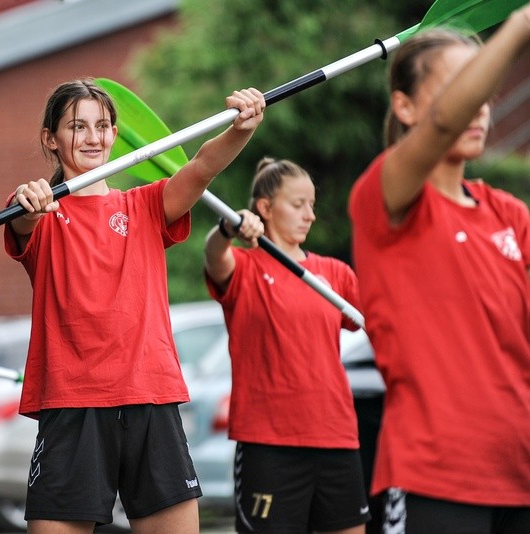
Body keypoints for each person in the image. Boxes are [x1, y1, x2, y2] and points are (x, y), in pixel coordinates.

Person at [3, 78, 265, 533]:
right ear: (52, 138)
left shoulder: (144, 205)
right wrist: (29, 203)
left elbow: (201, 168)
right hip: (72, 404)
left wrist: (241, 128)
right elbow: (22, 218)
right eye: (77, 126)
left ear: (115, 134)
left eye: (102, 126)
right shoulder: (39, 212)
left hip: (150, 395)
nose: (92, 137)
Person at [348, 6, 530, 533]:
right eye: (461, 87)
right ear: (403, 106)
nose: (477, 107)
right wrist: (519, 25)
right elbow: (447, 119)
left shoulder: (508, 215)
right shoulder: (383, 197)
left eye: (482, 90)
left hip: (518, 471)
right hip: (436, 473)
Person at [204, 157, 369, 534]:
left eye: (311, 205)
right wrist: (227, 228)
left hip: (336, 436)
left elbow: (375, 320)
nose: (309, 215)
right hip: (269, 442)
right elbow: (215, 256)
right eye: (298, 205)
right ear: (265, 207)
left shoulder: (335, 274)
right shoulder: (244, 269)